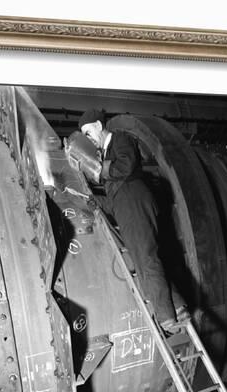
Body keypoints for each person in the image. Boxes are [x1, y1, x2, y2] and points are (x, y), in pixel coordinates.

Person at [78, 108, 188, 332]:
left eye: (88, 133)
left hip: (136, 202)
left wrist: (99, 171)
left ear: (99, 126)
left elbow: (126, 167)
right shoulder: (107, 155)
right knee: (144, 257)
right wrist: (94, 200)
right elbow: (115, 198)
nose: (88, 139)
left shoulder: (120, 140)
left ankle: (167, 317)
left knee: (146, 258)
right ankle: (178, 307)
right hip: (126, 207)